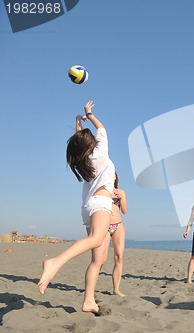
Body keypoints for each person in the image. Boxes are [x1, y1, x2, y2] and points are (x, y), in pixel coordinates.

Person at [38, 101, 115, 314]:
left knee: (98, 260)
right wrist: (89, 114)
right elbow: (102, 129)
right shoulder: (100, 154)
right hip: (101, 204)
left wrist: (77, 125)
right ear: (92, 144)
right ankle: (54, 262)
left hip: (88, 207)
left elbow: (82, 142)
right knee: (97, 240)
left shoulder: (83, 158)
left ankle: (89, 300)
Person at [104, 171, 128, 297]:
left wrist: (122, 198)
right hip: (104, 226)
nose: (111, 175)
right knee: (101, 259)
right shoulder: (102, 190)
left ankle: (116, 289)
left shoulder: (120, 192)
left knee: (119, 257)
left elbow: (124, 211)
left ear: (116, 177)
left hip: (118, 225)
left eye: (113, 174)